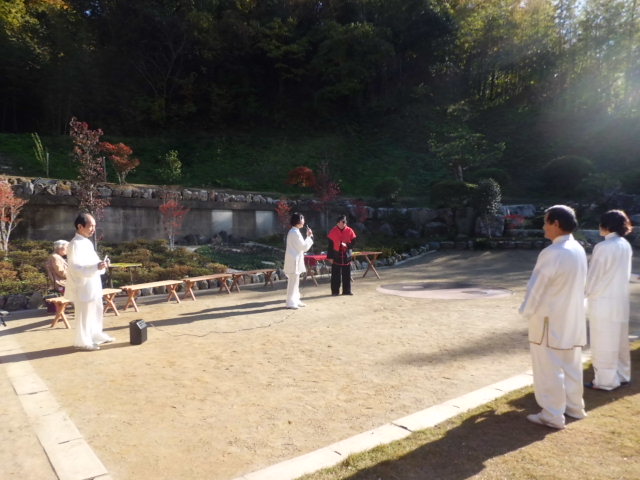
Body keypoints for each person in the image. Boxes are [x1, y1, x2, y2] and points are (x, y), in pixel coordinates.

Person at [519, 205, 588, 429]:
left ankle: (552, 414)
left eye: (546, 222)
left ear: (556, 224)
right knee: (570, 363)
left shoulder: (553, 252)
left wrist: (526, 311)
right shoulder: (577, 248)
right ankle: (574, 407)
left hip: (550, 319)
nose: (543, 227)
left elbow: (537, 287)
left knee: (548, 367)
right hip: (572, 316)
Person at [585, 209, 633, 390]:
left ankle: (605, 381)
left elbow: (594, 276)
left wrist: (584, 293)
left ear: (606, 225)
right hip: (620, 299)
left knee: (603, 342)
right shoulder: (625, 245)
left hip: (603, 301)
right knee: (620, 340)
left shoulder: (603, 247)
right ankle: (623, 374)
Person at [65, 213, 114, 351]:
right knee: (84, 313)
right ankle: (83, 341)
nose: (93, 229)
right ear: (80, 226)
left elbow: (94, 262)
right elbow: (75, 267)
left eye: (94, 226)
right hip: (83, 285)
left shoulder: (86, 242)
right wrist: (96, 267)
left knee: (96, 309)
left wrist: (101, 264)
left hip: (93, 282)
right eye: (91, 226)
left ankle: (96, 334)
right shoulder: (74, 244)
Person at [283, 212, 314, 309]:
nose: (303, 221)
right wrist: (308, 237)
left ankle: (295, 300)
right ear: (298, 221)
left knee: (295, 282)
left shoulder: (295, 231)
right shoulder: (294, 232)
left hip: (295, 259)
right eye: (302, 219)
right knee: (293, 282)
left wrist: (308, 237)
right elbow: (303, 247)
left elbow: (301, 247)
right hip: (293, 260)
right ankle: (290, 302)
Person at [327, 214, 357, 296]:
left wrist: (347, 245)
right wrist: (330, 257)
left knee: (347, 274)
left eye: (345, 221)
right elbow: (330, 246)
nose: (344, 223)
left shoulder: (350, 230)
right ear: (338, 223)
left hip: (346, 254)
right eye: (343, 221)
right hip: (336, 255)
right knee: (335, 275)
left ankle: (346, 291)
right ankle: (335, 291)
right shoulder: (333, 231)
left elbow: (354, 242)